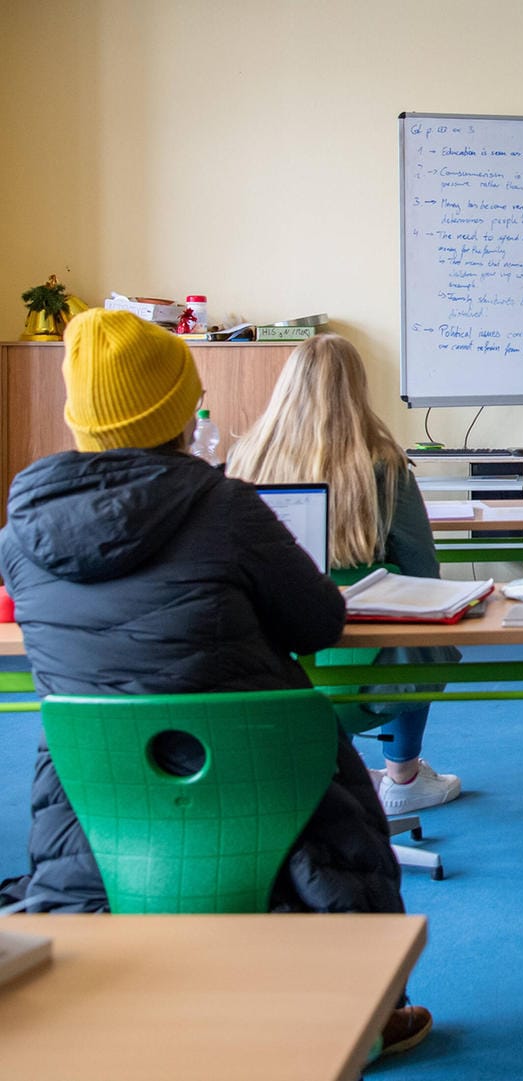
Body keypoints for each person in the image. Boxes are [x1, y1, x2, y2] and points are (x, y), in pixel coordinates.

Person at [0, 310, 430, 1053]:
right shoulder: (225, 508)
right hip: (266, 785)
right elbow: (319, 621)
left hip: (96, 802)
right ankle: (364, 1008)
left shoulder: (19, 535)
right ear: (175, 413)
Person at [226, 334, 461, 815]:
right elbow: (422, 568)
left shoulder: (245, 459)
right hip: (374, 667)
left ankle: (329, 770)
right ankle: (403, 775)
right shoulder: (384, 465)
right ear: (357, 389)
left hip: (271, 667)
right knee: (429, 641)